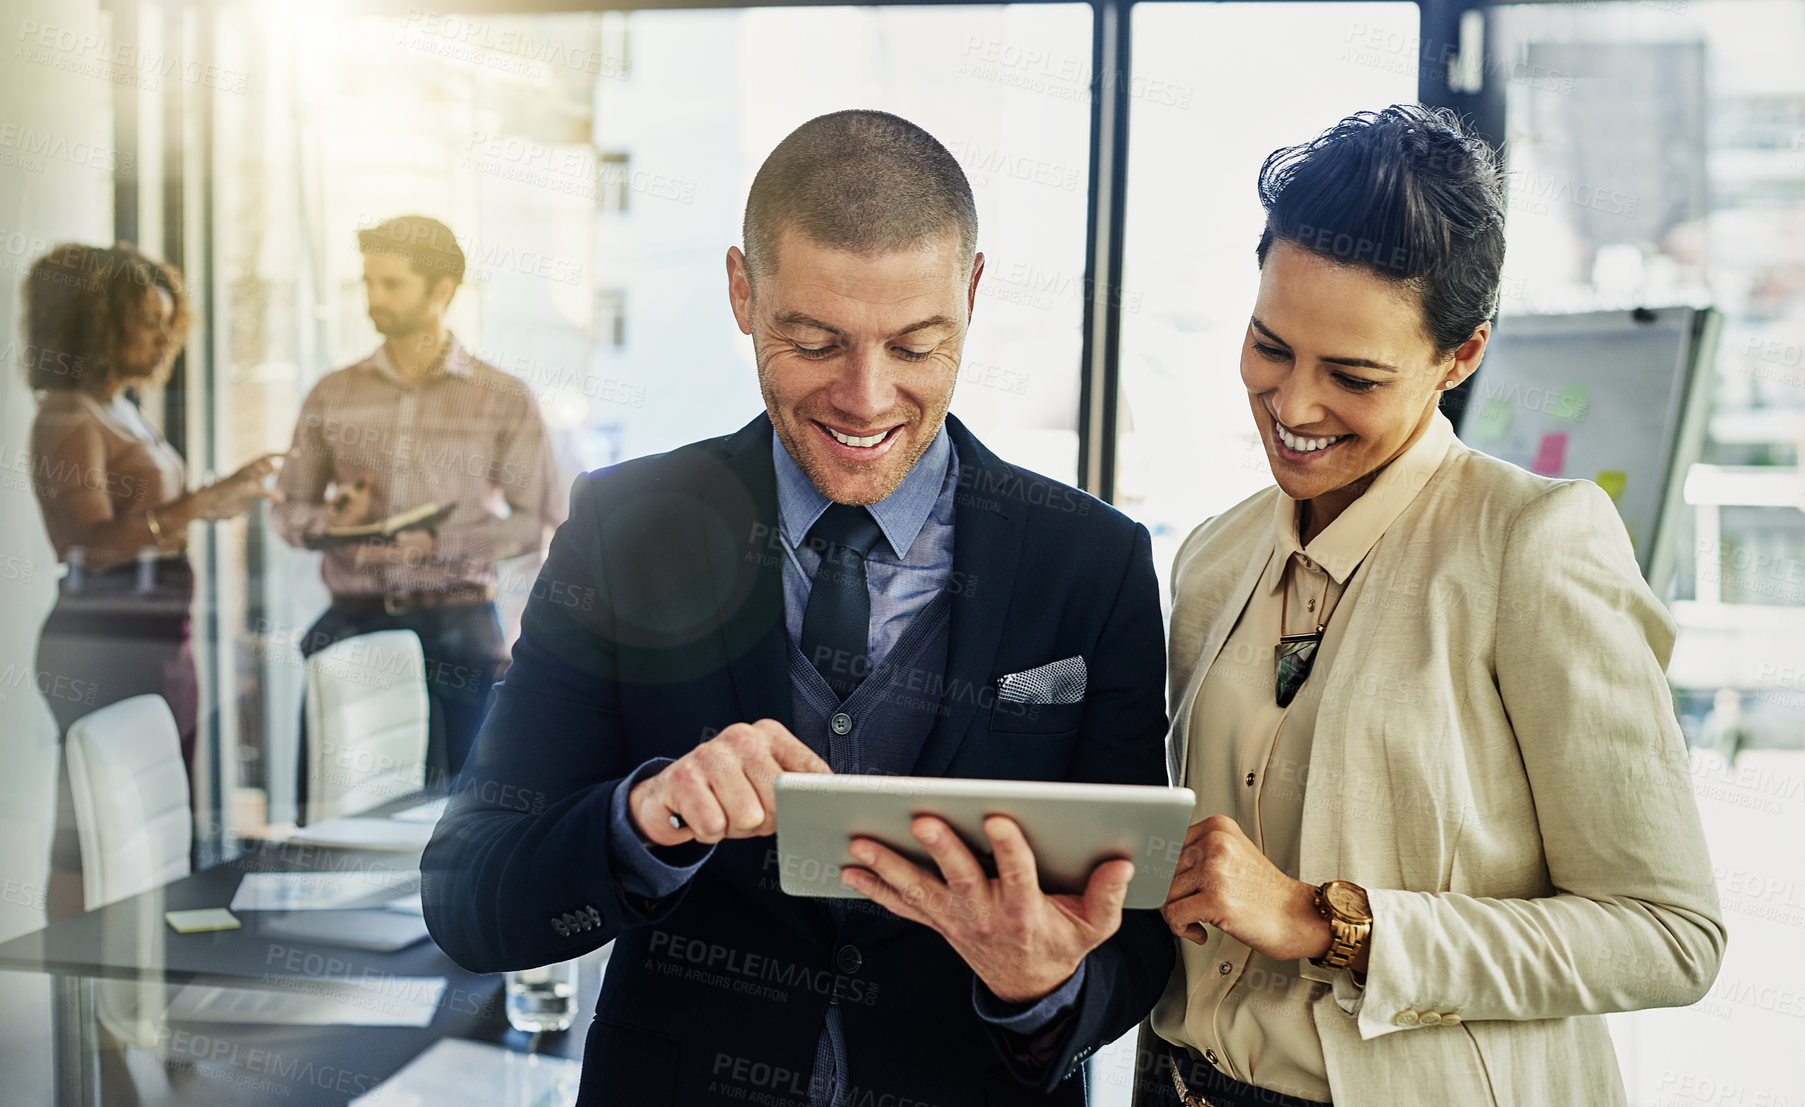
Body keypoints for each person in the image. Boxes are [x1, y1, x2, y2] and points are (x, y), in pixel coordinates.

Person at [422, 110, 1174, 1105]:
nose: (865, 400)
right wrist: (645, 818)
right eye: (813, 341)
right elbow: (472, 899)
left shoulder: (1094, 562)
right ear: (742, 291)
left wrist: (1039, 987)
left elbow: (1143, 938)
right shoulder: (624, 529)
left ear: (973, 296)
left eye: (915, 345)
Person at [1140, 106, 1724, 1107]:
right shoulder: (1212, 555)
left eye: (1351, 376)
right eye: (1268, 346)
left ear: (1461, 358)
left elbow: (1666, 936)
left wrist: (1330, 923)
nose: (1291, 406)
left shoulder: (1536, 546)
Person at [25, 241, 281, 918]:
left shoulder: (121, 409)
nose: (167, 336)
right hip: (105, 642)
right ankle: (84, 1000)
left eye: (170, 318)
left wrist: (223, 495)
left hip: (158, 638)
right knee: (93, 829)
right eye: (148, 319)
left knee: (152, 822)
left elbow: (150, 521)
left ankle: (135, 988)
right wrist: (199, 502)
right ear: (97, 326)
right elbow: (90, 543)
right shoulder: (68, 414)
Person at [272, 215, 563, 794]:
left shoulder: (502, 398)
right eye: (368, 283)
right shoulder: (333, 394)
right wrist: (329, 522)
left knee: (461, 820)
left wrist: (443, 544)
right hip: (355, 622)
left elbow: (539, 521)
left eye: (392, 284)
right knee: (333, 810)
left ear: (440, 291)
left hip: (458, 627)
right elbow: (287, 510)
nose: (374, 299)